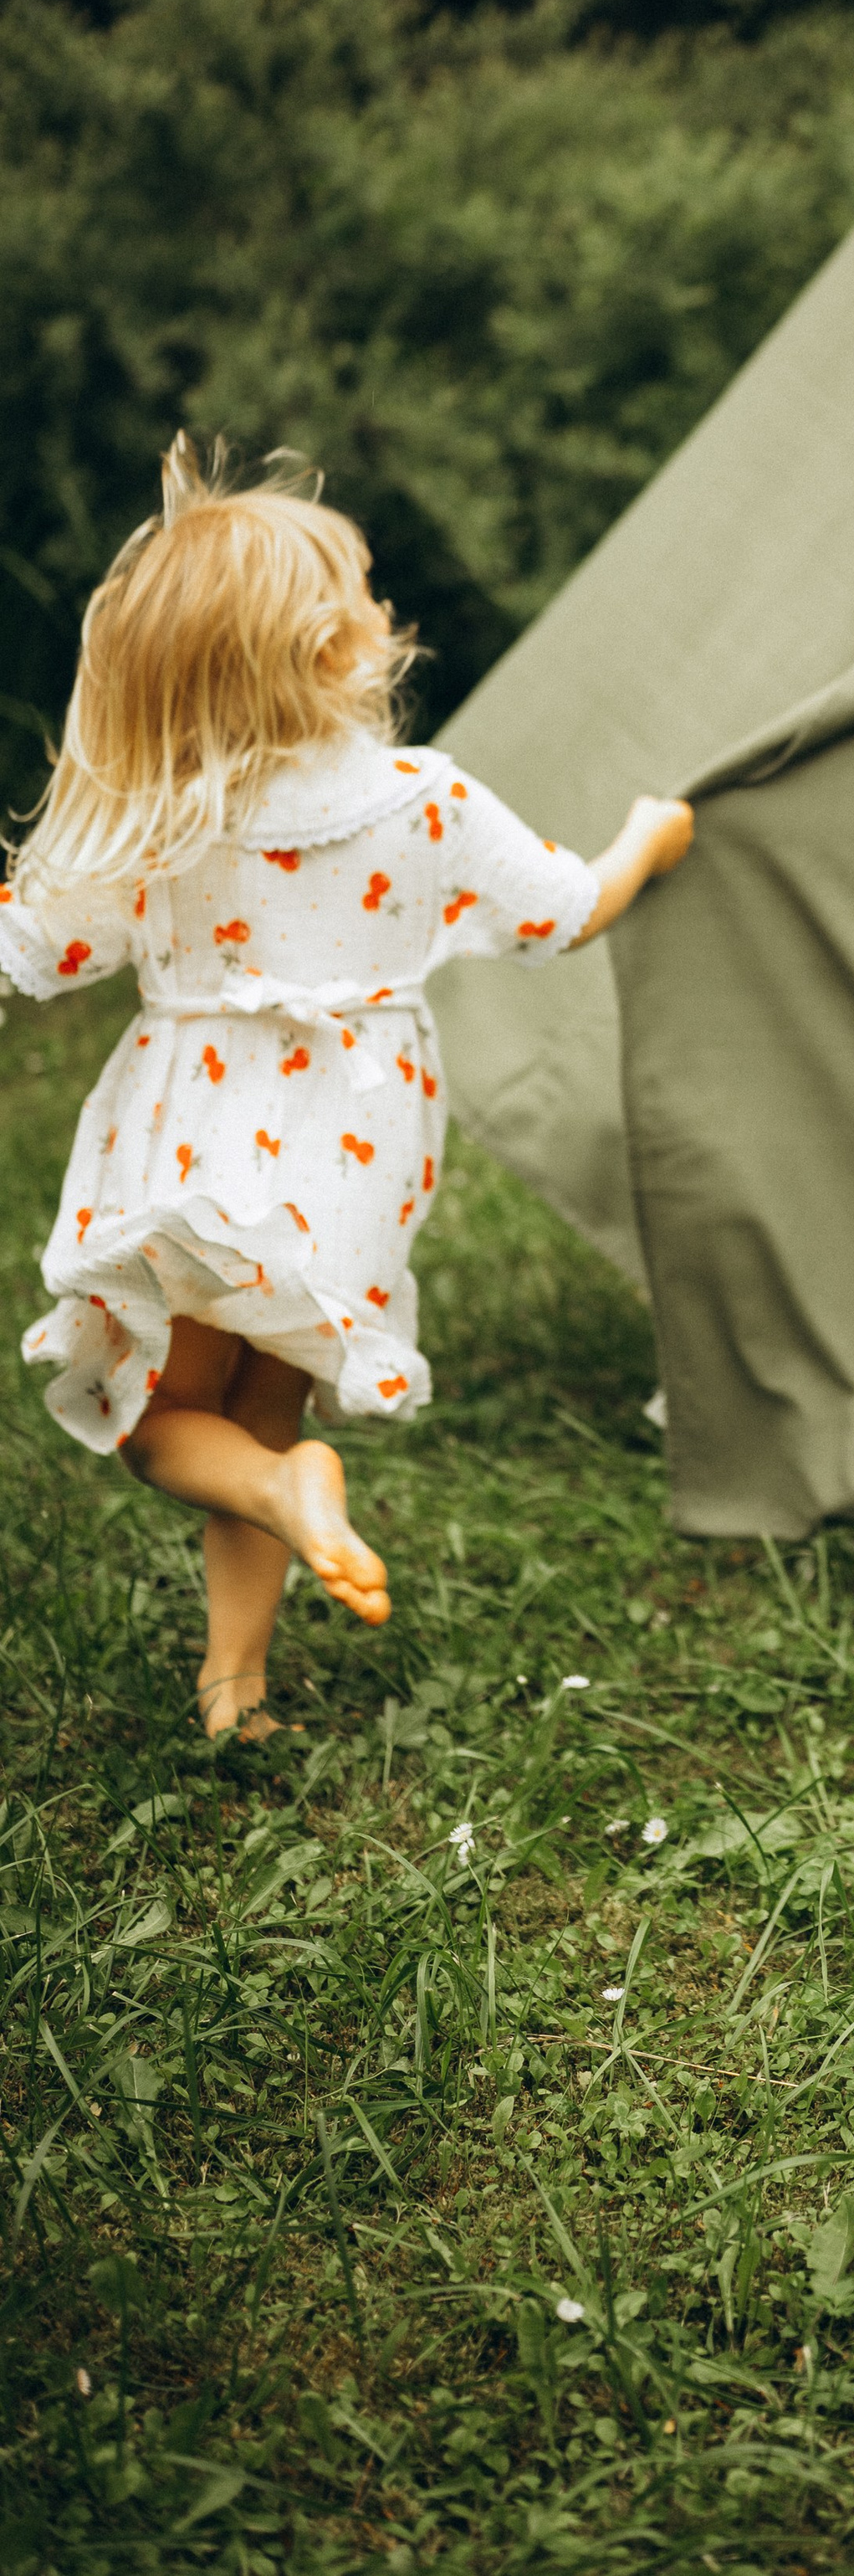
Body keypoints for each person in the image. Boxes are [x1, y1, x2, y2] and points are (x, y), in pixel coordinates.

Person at [0, 442, 693, 1735]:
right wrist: (646, 840)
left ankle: (281, 1502)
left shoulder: (165, 811)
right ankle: (236, 1690)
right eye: (365, 591)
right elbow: (562, 916)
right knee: (257, 1414)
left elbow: (41, 949)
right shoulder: (423, 801)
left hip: (197, 1149)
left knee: (161, 1426)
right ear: (331, 651)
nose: (385, 609)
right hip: (352, 1157)